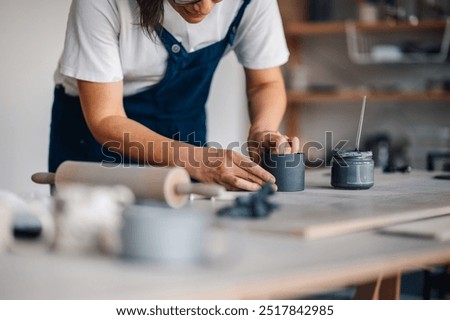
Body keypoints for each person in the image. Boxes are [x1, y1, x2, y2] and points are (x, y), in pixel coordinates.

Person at [49, 0, 300, 191]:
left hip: (183, 124)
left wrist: (262, 130)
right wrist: (192, 159)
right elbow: (105, 117)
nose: (203, 7)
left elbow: (265, 83)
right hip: (98, 131)